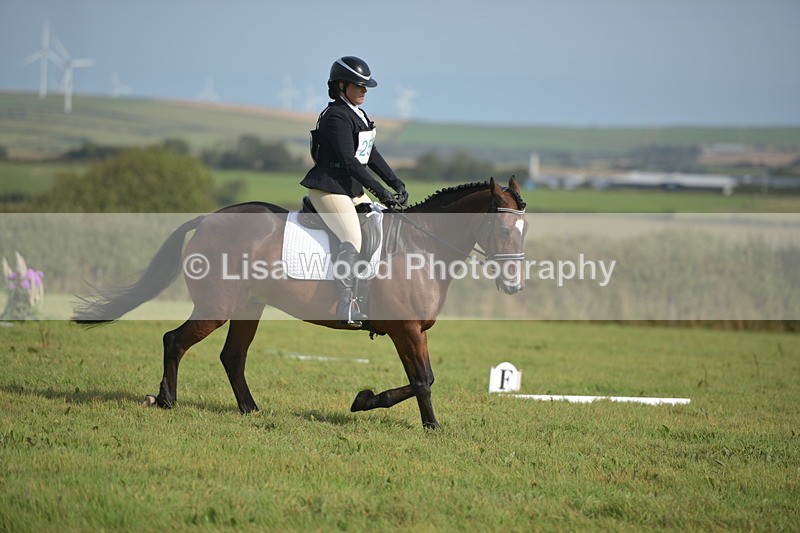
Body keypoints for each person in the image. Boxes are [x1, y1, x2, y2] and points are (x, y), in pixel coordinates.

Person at [300, 56, 408, 328]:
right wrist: (379, 190)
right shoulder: (336, 116)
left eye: (365, 87)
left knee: (379, 226)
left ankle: (368, 292)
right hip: (329, 189)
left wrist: (395, 182)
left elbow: (369, 153)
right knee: (352, 238)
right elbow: (349, 161)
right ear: (340, 85)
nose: (363, 91)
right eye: (358, 86)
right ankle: (346, 305)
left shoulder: (357, 114)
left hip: (350, 189)